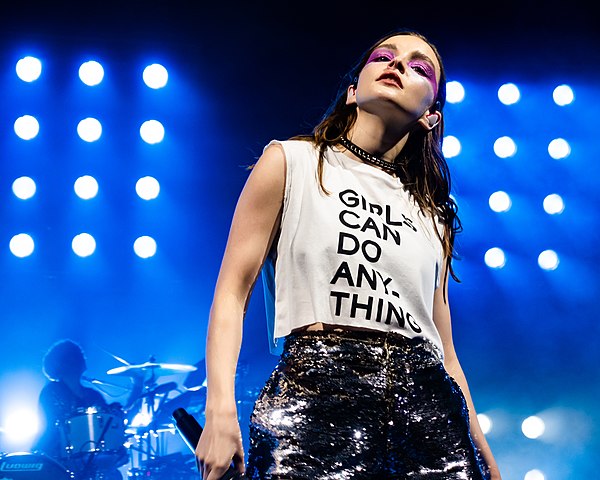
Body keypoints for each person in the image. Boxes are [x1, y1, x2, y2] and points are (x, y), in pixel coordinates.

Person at [196, 29, 502, 479]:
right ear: (353, 90)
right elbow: (231, 293)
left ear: (430, 118)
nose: (398, 65)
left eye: (420, 68)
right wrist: (219, 410)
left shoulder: (433, 216)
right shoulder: (290, 162)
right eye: (384, 56)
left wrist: (487, 462)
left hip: (428, 409)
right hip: (316, 396)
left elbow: (447, 354)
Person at [33, 339, 128, 480]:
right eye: (78, 355)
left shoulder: (93, 395)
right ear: (67, 362)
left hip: (89, 460)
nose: (83, 358)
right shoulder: (52, 391)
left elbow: (111, 424)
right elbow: (55, 428)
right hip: (56, 458)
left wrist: (137, 388)